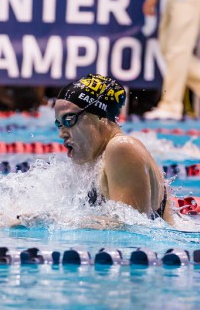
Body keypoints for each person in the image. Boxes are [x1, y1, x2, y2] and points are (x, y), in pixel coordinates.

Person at [55, 74, 172, 222]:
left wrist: (54, 221)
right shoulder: (96, 161)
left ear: (100, 117)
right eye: (59, 124)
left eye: (69, 119)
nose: (61, 133)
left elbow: (131, 228)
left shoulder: (121, 147)